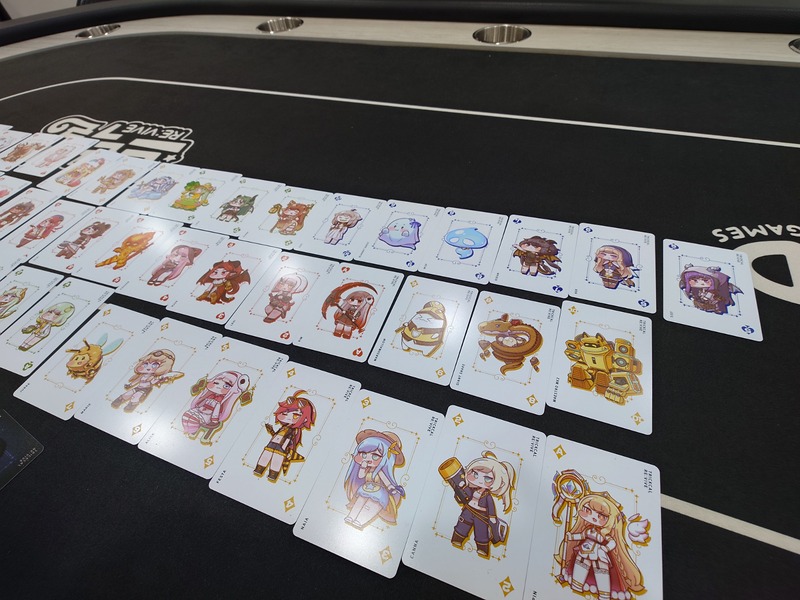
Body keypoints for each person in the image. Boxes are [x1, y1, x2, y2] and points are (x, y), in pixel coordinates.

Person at [343, 429, 406, 529]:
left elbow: (386, 481)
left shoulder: (379, 471)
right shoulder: (367, 469)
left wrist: (391, 488)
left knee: (371, 505)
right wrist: (362, 467)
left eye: (375, 456)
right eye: (364, 454)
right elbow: (361, 476)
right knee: (360, 502)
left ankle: (360, 521)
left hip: (379, 492)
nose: (368, 459)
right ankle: (351, 517)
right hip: (365, 489)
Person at [253, 391, 316, 482]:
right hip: (271, 444)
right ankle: (259, 469)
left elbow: (292, 441)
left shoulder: (295, 430)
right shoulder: (283, 427)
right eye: (285, 413)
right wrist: (271, 430)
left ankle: (273, 475)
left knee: (276, 461)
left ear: (305, 419)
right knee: (265, 457)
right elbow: (276, 436)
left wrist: (289, 451)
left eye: (295, 415)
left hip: (282, 448)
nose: (288, 417)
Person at [110, 349, 183, 412]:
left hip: (145, 389)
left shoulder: (153, 377)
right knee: (127, 394)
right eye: (145, 364)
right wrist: (130, 385)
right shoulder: (142, 375)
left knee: (135, 396)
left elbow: (153, 382)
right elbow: (137, 380)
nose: (148, 367)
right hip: (138, 387)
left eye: (155, 365)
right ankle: (118, 402)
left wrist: (159, 380)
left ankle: (131, 406)